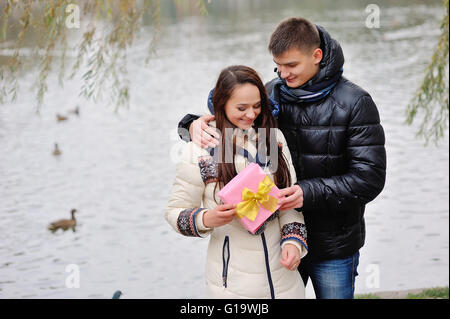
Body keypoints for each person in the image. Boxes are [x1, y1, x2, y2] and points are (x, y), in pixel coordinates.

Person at [177, 17, 386, 299]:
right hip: (276, 242)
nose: (283, 73)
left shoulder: (356, 102)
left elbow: (369, 179)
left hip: (333, 243)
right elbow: (230, 107)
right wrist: (190, 125)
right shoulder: (273, 92)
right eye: (278, 65)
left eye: (291, 65)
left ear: (316, 56)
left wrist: (306, 193)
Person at [165, 65, 308, 299]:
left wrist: (293, 242)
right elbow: (174, 213)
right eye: (241, 108)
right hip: (231, 287)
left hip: (285, 283)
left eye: (257, 106)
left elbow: (289, 204)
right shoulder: (199, 150)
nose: (251, 115)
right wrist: (206, 218)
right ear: (221, 104)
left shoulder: (273, 140)